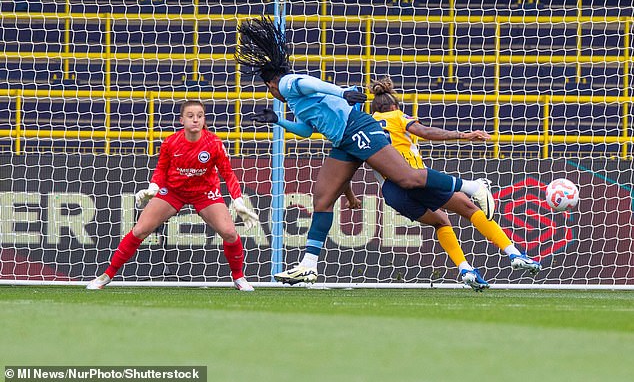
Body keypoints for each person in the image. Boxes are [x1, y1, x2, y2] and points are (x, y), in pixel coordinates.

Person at [236, 15, 495, 285]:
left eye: (269, 91)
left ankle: (473, 187)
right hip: (343, 140)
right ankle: (308, 265)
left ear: (271, 84)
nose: (272, 95)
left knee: (408, 177)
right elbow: (306, 130)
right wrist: (278, 120)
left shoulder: (288, 84)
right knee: (322, 199)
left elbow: (308, 82)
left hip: (357, 128)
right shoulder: (296, 100)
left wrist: (340, 93)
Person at [357, 76, 541, 290]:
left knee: (441, 221)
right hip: (414, 178)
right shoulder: (398, 117)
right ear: (395, 105)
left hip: (392, 193)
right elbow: (424, 132)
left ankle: (465, 269)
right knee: (469, 207)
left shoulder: (367, 126)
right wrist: (462, 135)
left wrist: (350, 195)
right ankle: (515, 254)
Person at [87, 100, 259, 291]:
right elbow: (161, 169)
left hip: (204, 193)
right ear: (182, 120)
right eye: (190, 116)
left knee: (229, 232)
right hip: (173, 191)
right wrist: (153, 187)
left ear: (204, 120)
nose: (195, 120)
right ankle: (107, 275)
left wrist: (238, 200)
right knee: (140, 230)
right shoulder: (171, 142)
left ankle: (239, 278)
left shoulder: (214, 144)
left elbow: (228, 174)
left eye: (200, 116)